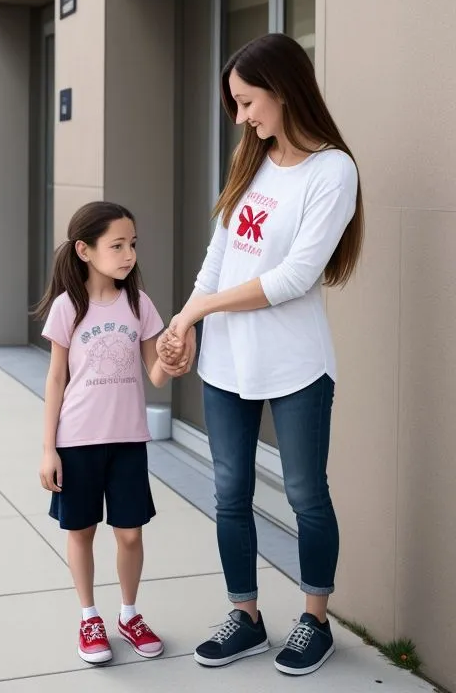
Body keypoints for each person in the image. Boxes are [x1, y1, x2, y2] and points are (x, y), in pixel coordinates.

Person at [158, 33, 363, 676]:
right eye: (236, 106)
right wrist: (184, 321)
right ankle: (245, 616)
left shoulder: (333, 171)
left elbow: (293, 279)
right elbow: (220, 259)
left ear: (283, 88)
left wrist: (197, 313)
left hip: (297, 364)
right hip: (226, 363)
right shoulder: (251, 161)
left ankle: (315, 620)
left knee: (305, 494)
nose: (242, 118)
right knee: (229, 493)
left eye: (248, 102)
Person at [35, 201, 194, 665]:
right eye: (117, 245)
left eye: (133, 245)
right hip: (77, 440)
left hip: (128, 442)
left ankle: (129, 613)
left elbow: (156, 375)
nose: (128, 255)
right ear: (85, 250)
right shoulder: (68, 307)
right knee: (81, 530)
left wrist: (176, 353)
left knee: (129, 534)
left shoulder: (139, 304)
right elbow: (56, 379)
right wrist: (49, 449)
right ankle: (89, 617)